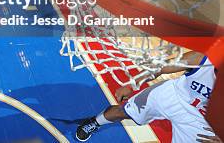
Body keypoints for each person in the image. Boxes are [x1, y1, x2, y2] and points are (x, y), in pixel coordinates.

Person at [76, 51, 221, 142]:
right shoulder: (200, 59)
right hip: (171, 95)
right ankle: (95, 122)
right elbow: (160, 67)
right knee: (122, 111)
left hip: (199, 119)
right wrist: (132, 85)